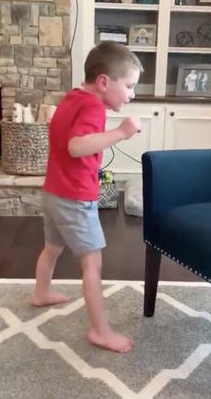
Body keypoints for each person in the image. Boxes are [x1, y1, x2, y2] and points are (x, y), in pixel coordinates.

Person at [30, 41, 143, 354]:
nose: (132, 93)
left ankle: (41, 293)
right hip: (75, 199)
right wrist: (121, 133)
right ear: (104, 82)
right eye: (129, 85)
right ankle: (100, 331)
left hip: (54, 192)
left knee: (52, 248)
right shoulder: (92, 106)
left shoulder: (73, 97)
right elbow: (76, 146)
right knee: (92, 265)